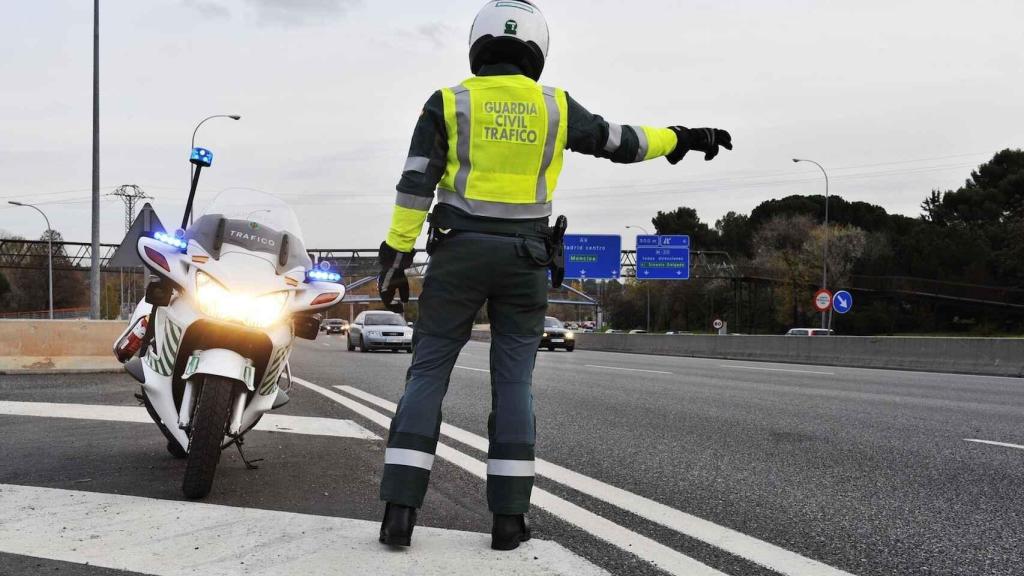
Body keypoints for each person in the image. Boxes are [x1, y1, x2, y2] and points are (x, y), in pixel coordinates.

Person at [375, 0, 732, 551]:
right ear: (537, 50)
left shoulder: (448, 102)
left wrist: (395, 255)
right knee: (513, 384)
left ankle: (400, 512)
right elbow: (623, 141)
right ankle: (509, 521)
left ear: (478, 44)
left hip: (458, 256)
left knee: (427, 375)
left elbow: (416, 181)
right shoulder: (556, 107)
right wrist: (683, 137)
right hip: (525, 262)